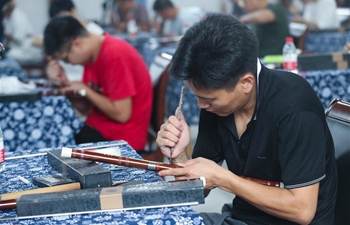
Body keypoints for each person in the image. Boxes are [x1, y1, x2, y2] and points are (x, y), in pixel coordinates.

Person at [156, 13, 337, 224]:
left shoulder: (295, 108)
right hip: (240, 218)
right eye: (197, 96)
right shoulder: (216, 106)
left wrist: (223, 178)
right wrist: (179, 159)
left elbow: (302, 211)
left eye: (208, 99)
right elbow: (195, 194)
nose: (200, 105)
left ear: (246, 83)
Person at [43, 15, 153, 151]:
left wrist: (85, 90)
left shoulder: (114, 54)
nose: (69, 63)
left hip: (123, 139)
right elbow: (88, 107)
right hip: (102, 128)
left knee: (56, 138)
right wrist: (66, 86)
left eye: (65, 59)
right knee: (56, 129)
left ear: (77, 44)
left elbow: (122, 114)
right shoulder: (91, 56)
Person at [43, 0, 104, 84]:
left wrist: (84, 89)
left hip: (83, 84)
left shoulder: (95, 35)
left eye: (66, 19)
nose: (63, 26)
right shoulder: (59, 36)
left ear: (74, 11)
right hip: (70, 84)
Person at [1, 0, 43, 65]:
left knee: (6, 56)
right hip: (22, 47)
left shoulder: (18, 16)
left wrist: (9, 37)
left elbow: (19, 38)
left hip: (27, 50)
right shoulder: (12, 16)